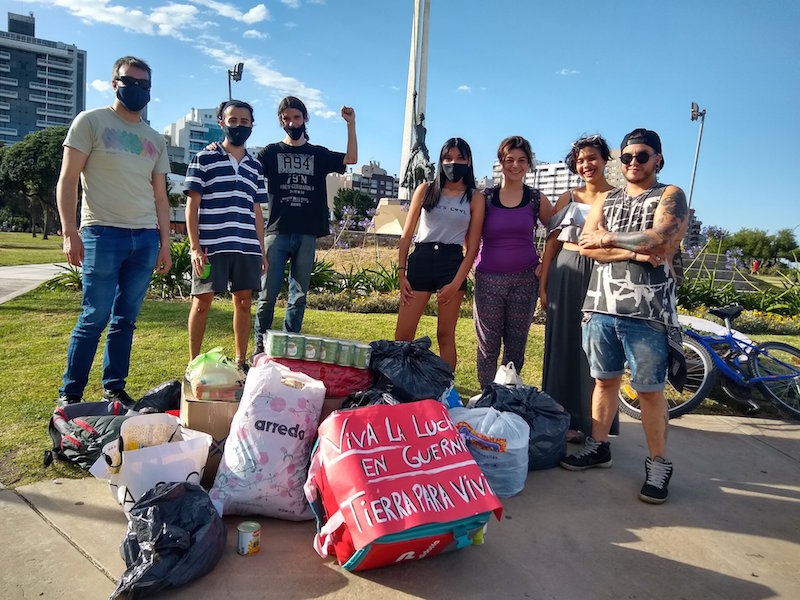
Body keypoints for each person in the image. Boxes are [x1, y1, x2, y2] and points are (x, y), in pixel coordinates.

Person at [560, 128, 689, 504]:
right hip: (601, 306)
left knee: (649, 391)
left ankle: (659, 462)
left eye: (642, 156)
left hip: (648, 313)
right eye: (628, 157)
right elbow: (586, 244)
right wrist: (634, 250)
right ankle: (599, 446)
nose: (633, 162)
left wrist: (609, 238)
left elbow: (662, 239)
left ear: (658, 159)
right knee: (604, 382)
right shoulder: (607, 197)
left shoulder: (669, 195)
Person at [55, 56, 172, 407]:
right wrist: (69, 231)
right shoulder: (90, 122)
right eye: (129, 81)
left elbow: (161, 197)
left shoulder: (154, 138)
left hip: (144, 239)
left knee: (126, 320)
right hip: (102, 234)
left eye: (144, 85)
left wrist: (164, 243)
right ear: (114, 82)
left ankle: (114, 386)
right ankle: (70, 394)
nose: (136, 89)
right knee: (94, 316)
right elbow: (68, 179)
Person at [252, 96, 357, 353]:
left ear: (305, 118)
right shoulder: (270, 153)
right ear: (280, 121)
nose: (291, 122)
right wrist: (218, 147)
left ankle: (289, 347)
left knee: (298, 296)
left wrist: (350, 124)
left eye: (296, 117)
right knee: (267, 296)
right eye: (286, 118)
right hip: (276, 231)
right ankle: (259, 348)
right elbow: (245, 164)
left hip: (307, 234)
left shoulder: (318, 154)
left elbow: (351, 159)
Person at [540, 135, 614, 442]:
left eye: (592, 158)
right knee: (562, 344)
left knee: (597, 348)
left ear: (605, 160)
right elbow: (552, 243)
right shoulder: (567, 197)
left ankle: (594, 423)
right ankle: (559, 417)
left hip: (603, 274)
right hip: (565, 272)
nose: (587, 165)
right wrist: (543, 284)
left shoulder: (619, 196)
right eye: (581, 160)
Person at [184, 100, 267, 370]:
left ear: (252, 125)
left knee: (243, 303)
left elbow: (256, 210)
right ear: (222, 123)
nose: (239, 126)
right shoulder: (203, 158)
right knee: (202, 303)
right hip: (211, 247)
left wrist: (261, 250)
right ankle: (193, 363)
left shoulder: (255, 166)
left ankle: (241, 361)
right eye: (233, 120)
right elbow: (192, 206)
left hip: (246, 247)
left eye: (245, 122)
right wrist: (195, 247)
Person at [395, 137, 485, 370]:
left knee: (445, 335)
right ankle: (394, 383)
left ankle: (445, 388)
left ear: (469, 161)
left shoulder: (475, 197)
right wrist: (401, 272)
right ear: (441, 160)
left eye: (460, 158)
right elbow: (406, 235)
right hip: (421, 260)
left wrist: (457, 283)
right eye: (448, 158)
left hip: (451, 264)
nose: (453, 163)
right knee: (402, 336)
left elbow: (472, 247)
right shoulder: (426, 190)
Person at [473, 136, 554, 388]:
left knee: (516, 345)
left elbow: (558, 231)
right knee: (488, 344)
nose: (515, 165)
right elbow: (471, 238)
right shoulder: (484, 198)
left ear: (529, 163)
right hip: (488, 279)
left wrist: (545, 264)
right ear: (500, 162)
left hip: (524, 280)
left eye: (521, 160)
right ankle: (487, 397)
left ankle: (508, 397)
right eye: (509, 160)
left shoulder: (535, 199)